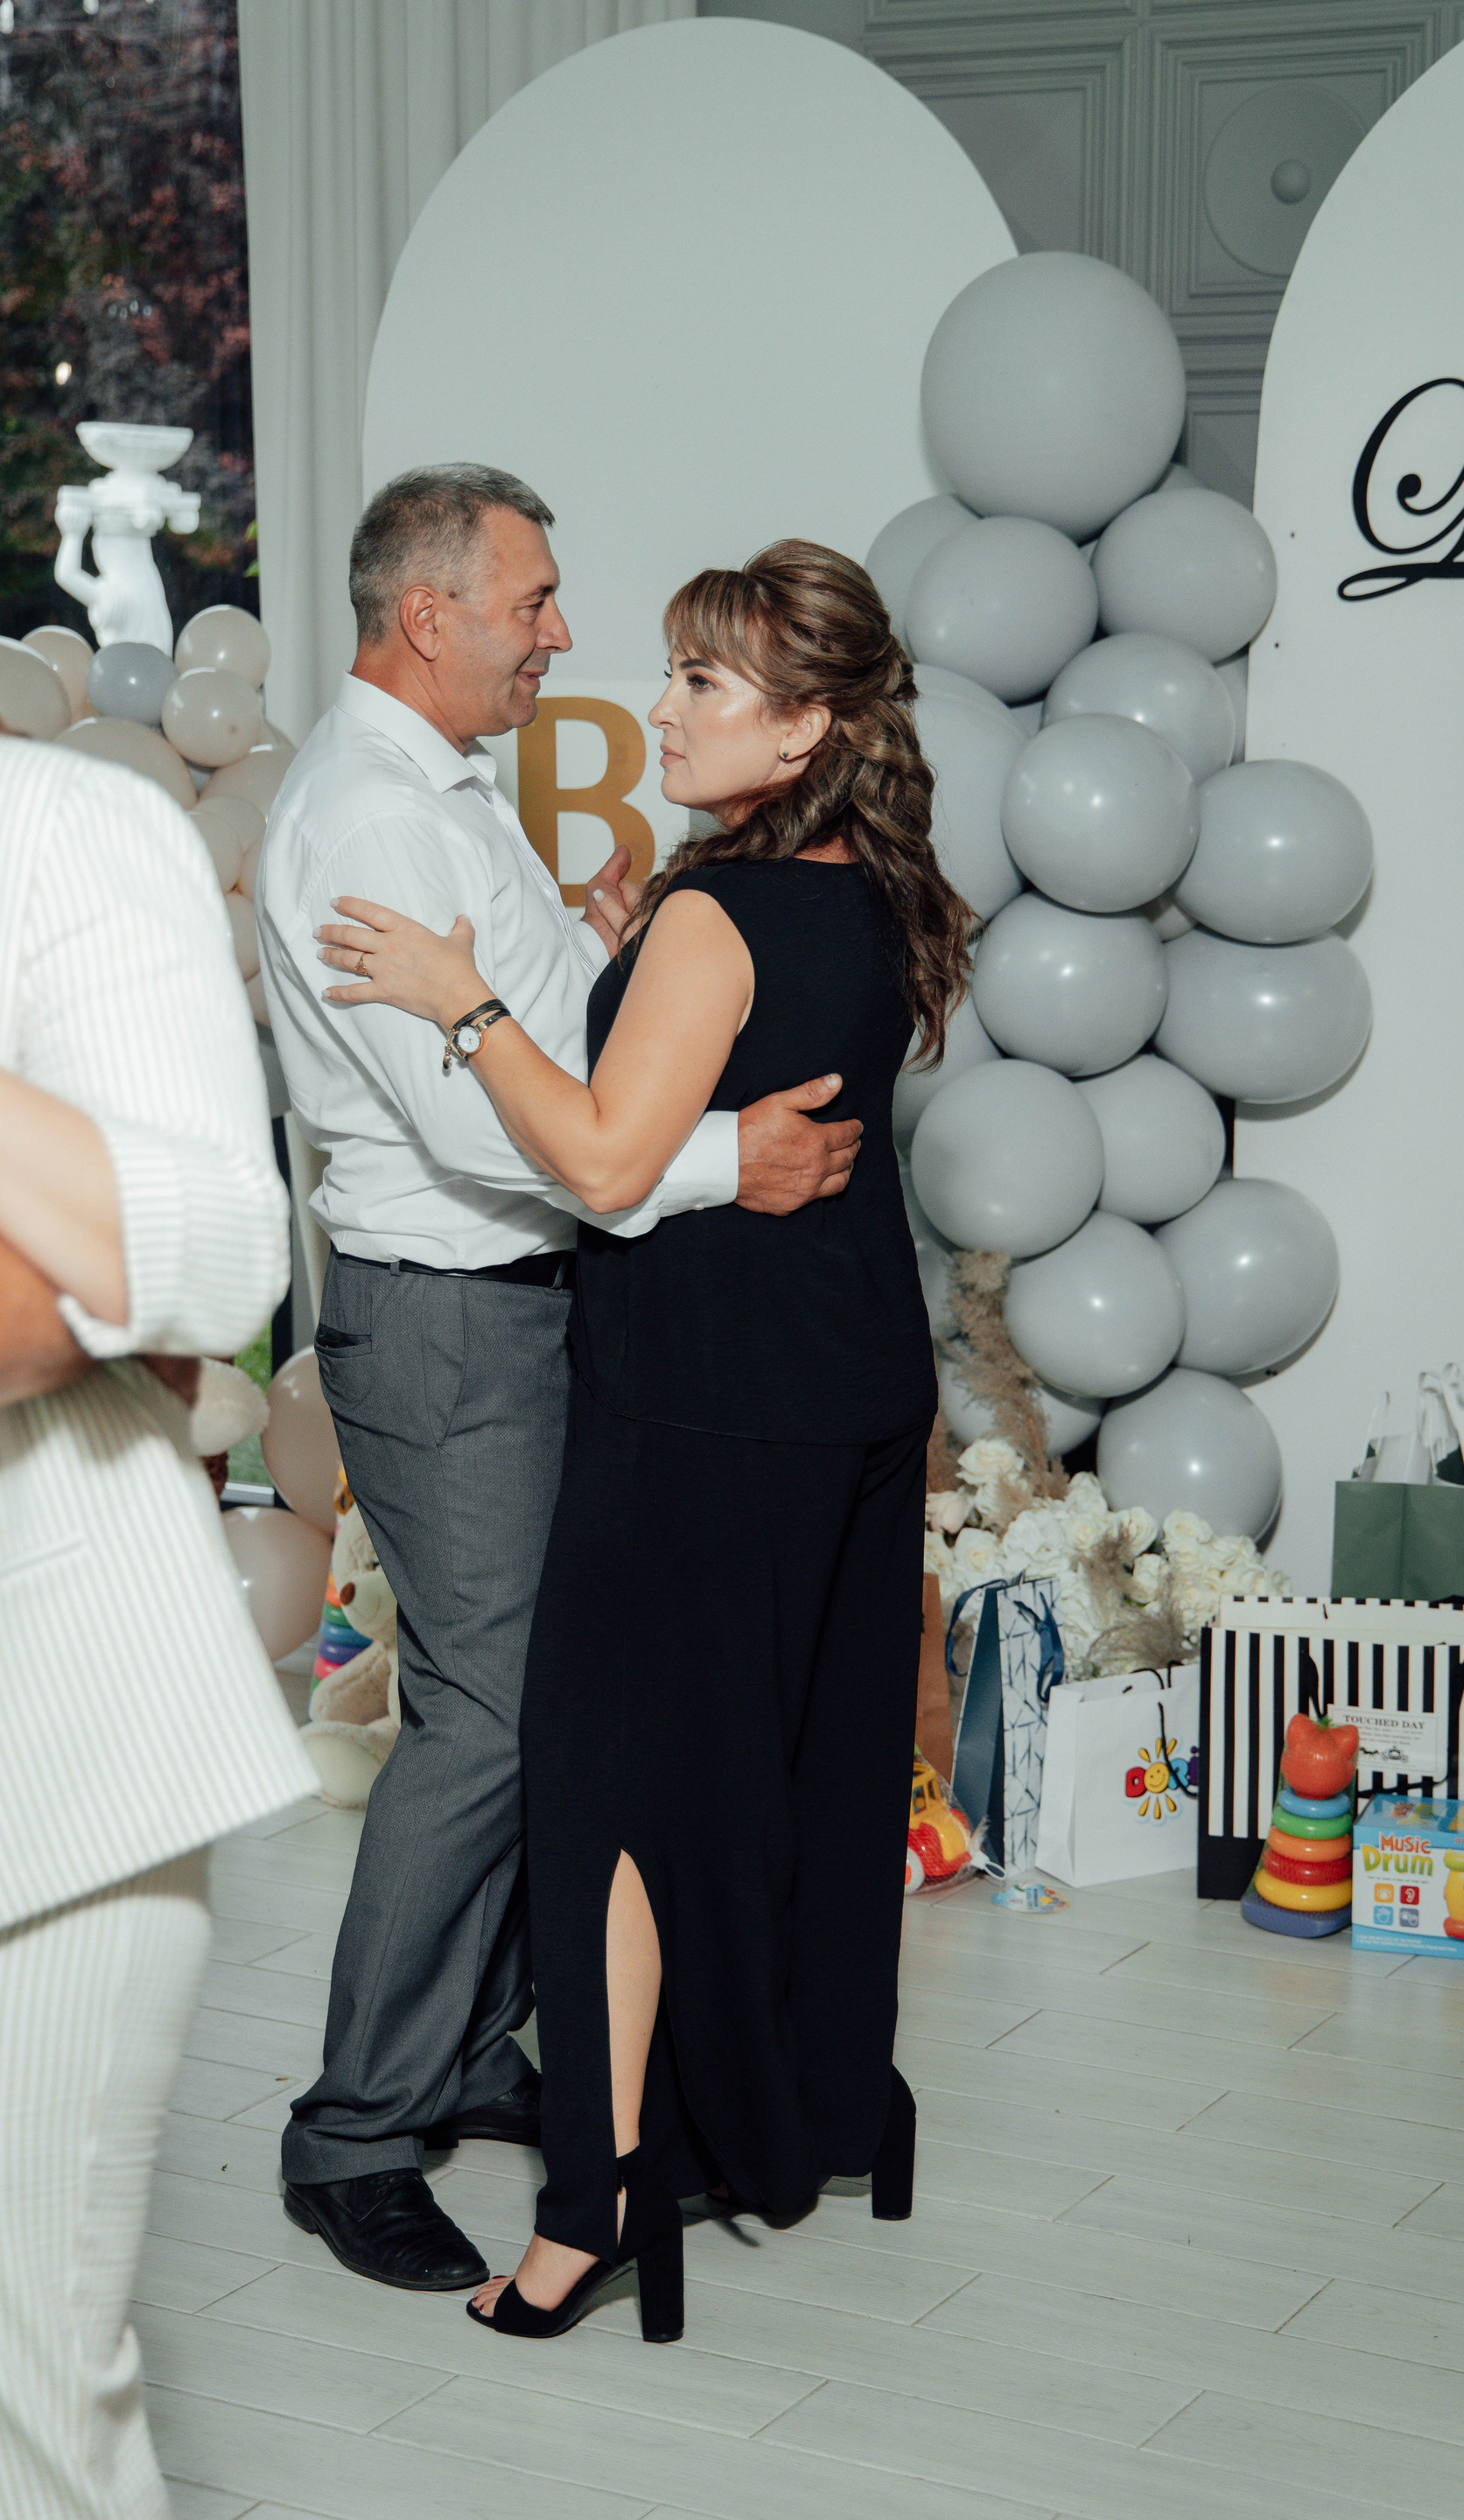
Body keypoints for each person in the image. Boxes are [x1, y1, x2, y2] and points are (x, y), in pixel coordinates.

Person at [314, 537, 971, 2344]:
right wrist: (626, 967)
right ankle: (815, 2107)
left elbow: (607, 1164)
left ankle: (594, 2205)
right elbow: (741, 1062)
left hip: (702, 1403)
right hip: (851, 1382)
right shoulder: (870, 886)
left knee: (611, 1789)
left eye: (702, 682)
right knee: (806, 1762)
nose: (660, 709)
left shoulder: (716, 912)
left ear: (805, 727)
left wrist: (464, 1001)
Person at [0, 736, 317, 2520]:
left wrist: (62, 1281)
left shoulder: (60, 829)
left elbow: (187, 1256)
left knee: (27, 2408)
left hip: (47, 1747)